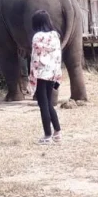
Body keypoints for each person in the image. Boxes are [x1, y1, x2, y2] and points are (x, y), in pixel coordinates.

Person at [29, 10, 62, 145]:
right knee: (48, 103)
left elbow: (35, 58)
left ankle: (47, 135)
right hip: (52, 73)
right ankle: (57, 132)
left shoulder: (37, 37)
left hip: (41, 74)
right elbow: (58, 55)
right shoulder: (55, 35)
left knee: (43, 105)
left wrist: (32, 76)